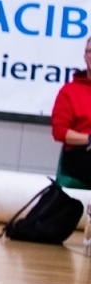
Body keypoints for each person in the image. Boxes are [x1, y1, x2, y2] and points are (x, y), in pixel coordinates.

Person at [51, 35, 91, 183]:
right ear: (85, 57)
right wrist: (89, 139)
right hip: (82, 153)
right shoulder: (69, 92)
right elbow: (60, 132)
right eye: (90, 52)